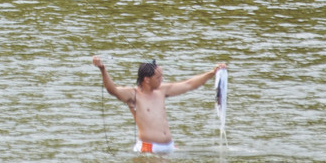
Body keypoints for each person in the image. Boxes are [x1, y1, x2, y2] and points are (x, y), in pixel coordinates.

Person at [92, 56, 226, 153]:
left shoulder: (162, 90)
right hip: (149, 149)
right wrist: (103, 69)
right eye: (158, 78)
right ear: (146, 79)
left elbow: (189, 84)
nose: (162, 80)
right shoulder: (133, 95)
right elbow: (113, 90)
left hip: (170, 147)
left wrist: (212, 72)